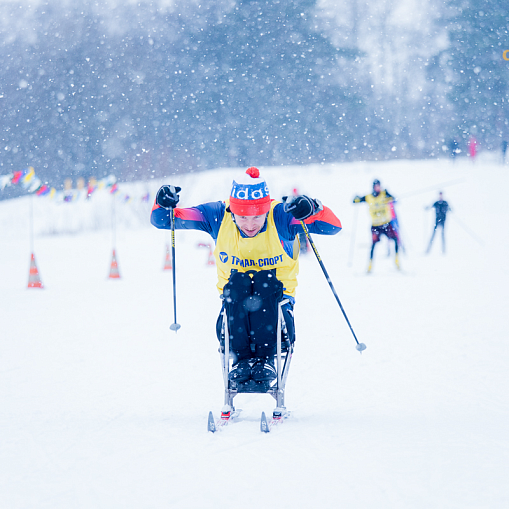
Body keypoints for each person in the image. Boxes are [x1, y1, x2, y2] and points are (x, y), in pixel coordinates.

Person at [151, 167, 342, 383]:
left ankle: (265, 360)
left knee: (265, 280)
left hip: (278, 316)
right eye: (242, 217)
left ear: (266, 212)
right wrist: (162, 202)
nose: (249, 225)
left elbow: (333, 227)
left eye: (257, 217)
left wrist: (313, 208)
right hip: (233, 316)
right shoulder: (216, 215)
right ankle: (241, 361)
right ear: (232, 211)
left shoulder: (280, 216)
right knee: (238, 281)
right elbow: (165, 220)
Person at [353, 179, 400, 273]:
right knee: (373, 245)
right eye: (376, 186)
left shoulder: (384, 195)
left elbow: (395, 199)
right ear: (373, 187)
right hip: (376, 226)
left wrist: (389, 194)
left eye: (379, 186)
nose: (378, 188)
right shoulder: (369, 197)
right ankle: (369, 266)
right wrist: (356, 198)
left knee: (395, 240)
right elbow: (355, 201)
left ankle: (397, 262)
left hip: (386, 224)